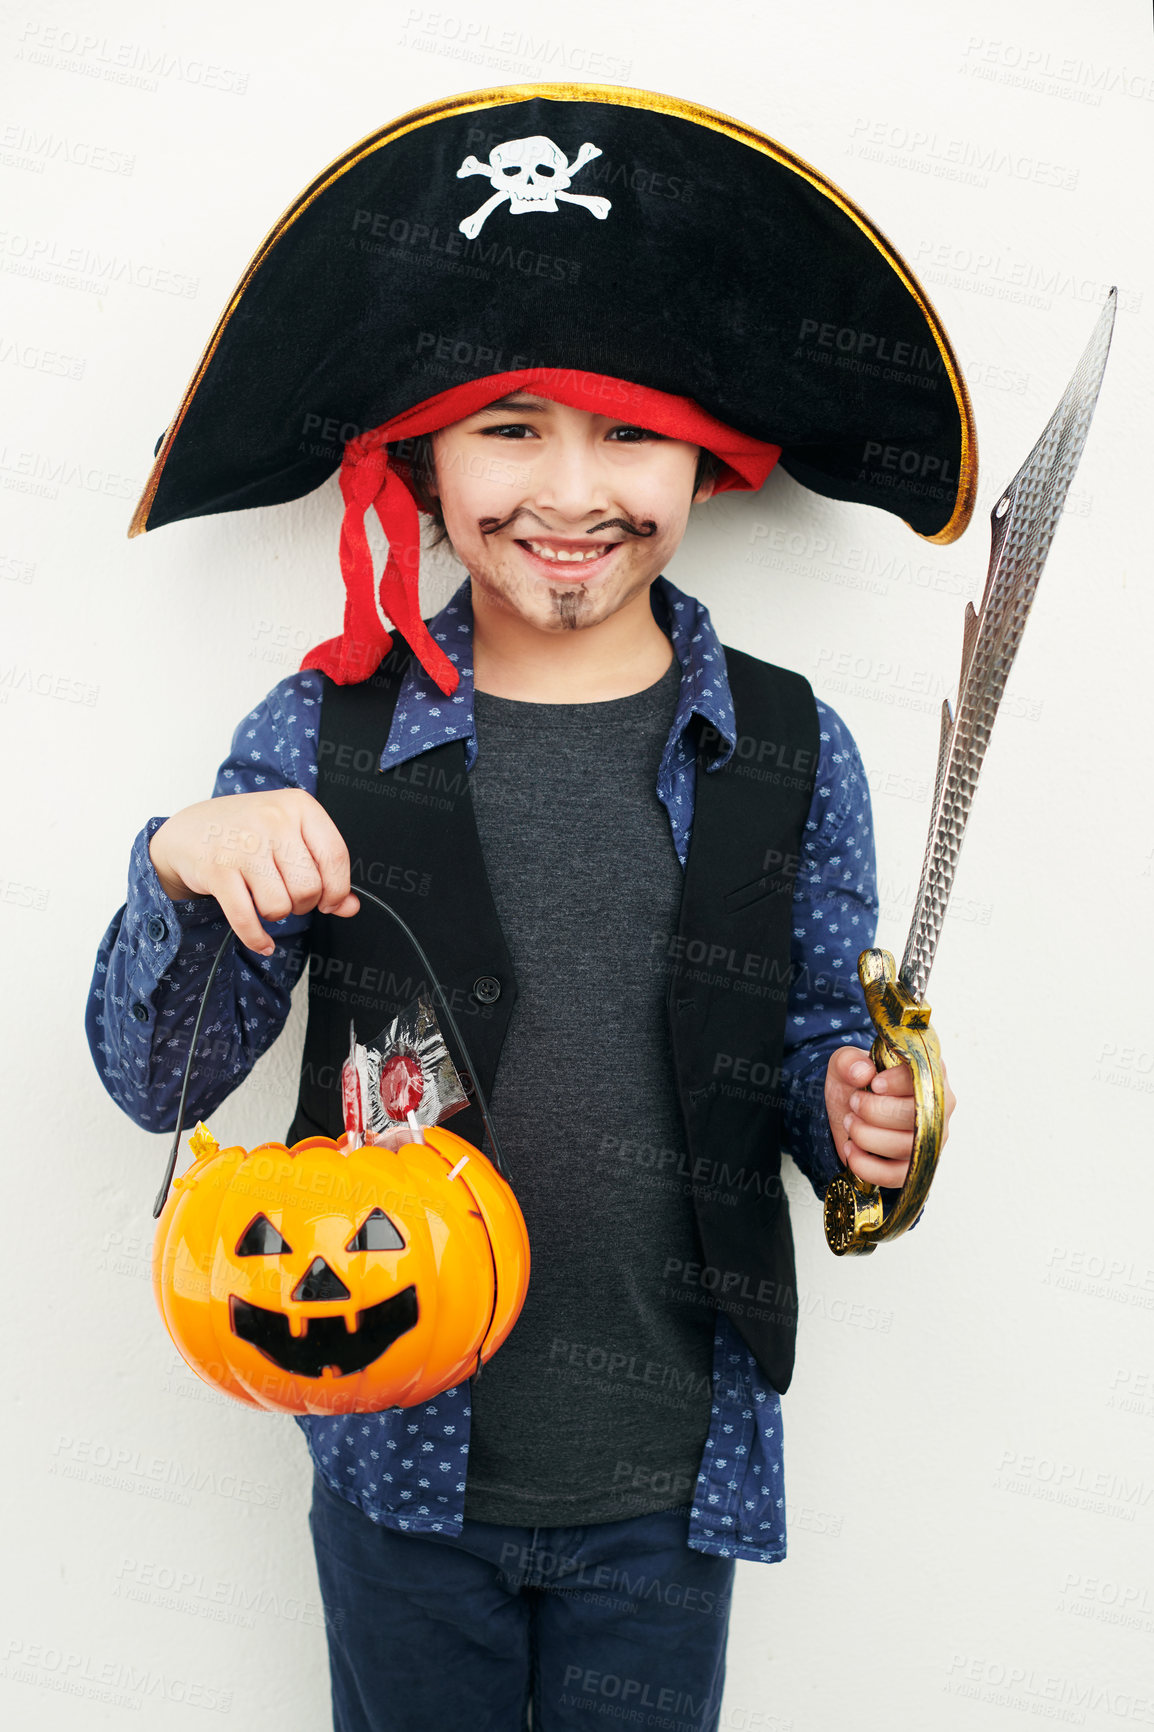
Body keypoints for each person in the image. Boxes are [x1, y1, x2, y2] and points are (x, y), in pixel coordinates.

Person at [87, 85, 966, 1732]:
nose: (572, 491)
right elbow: (164, 1083)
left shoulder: (783, 743)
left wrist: (852, 1107)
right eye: (512, 427)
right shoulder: (317, 733)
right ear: (416, 459)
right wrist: (180, 864)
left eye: (627, 429)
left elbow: (799, 1043)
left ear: (712, 457)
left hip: (665, 1475)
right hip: (396, 1453)